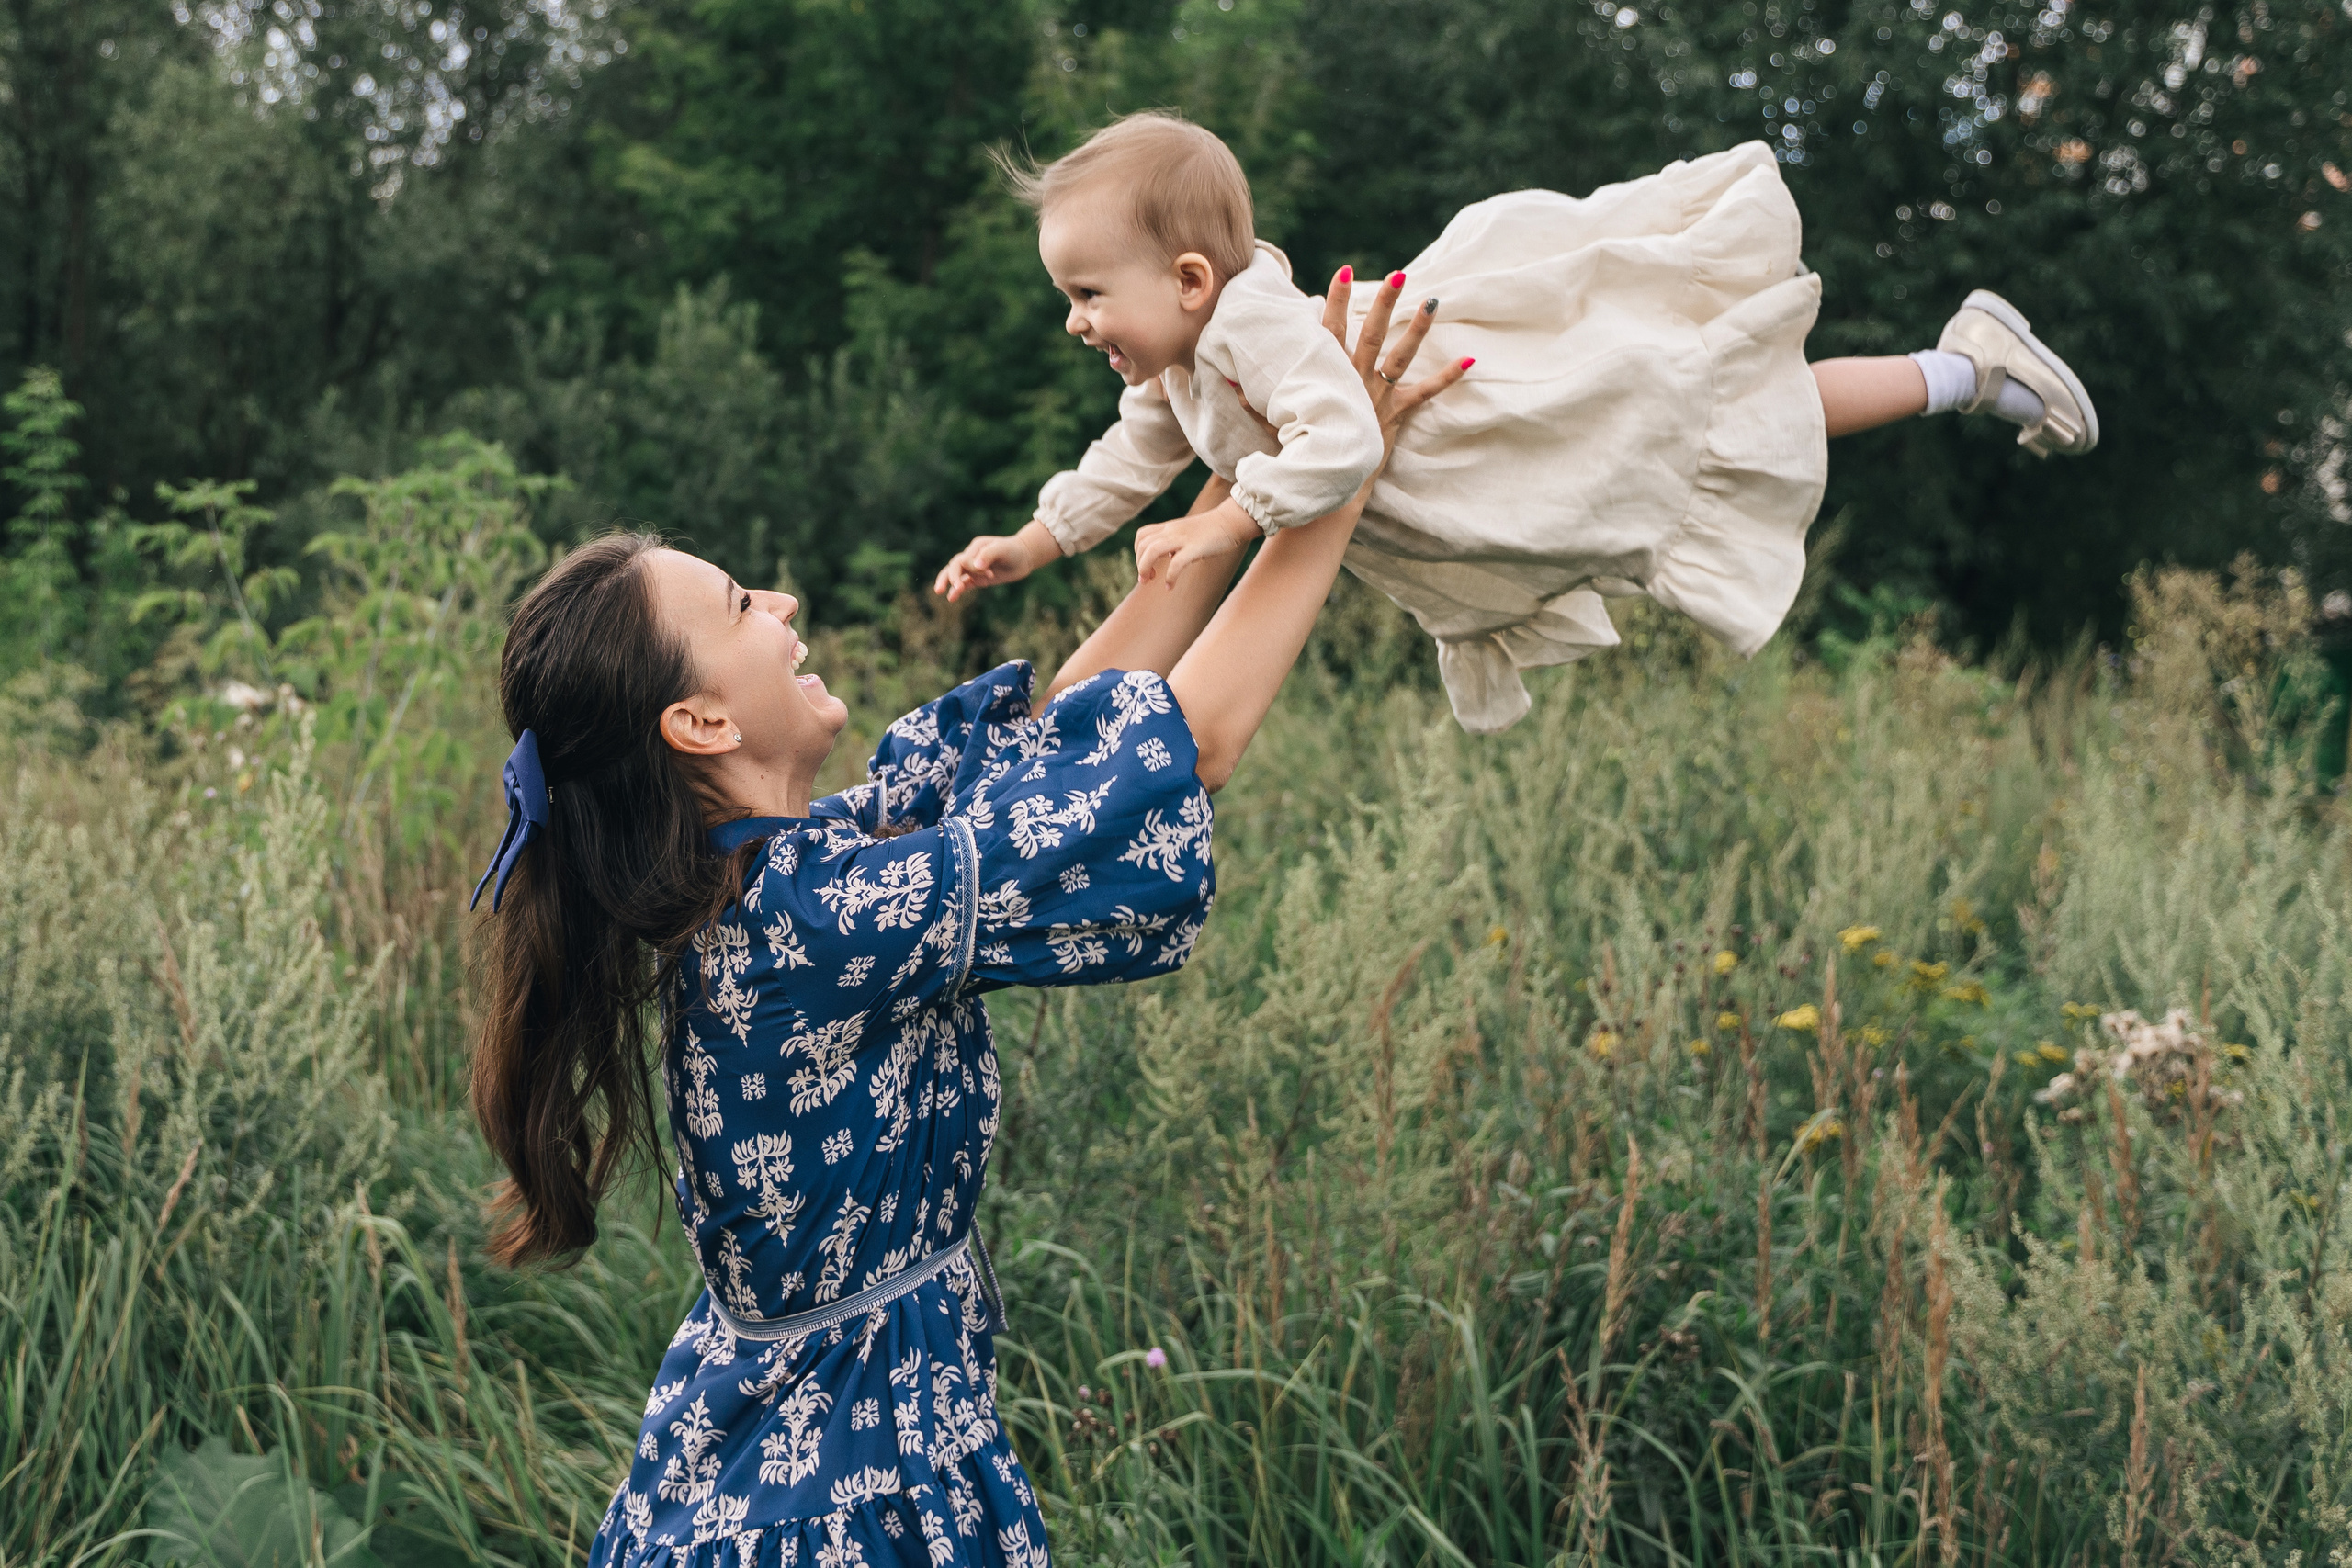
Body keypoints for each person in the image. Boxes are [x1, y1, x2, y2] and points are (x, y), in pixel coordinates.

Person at [466, 274, 1455, 1565]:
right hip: (839, 1503)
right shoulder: (813, 923)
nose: (783, 603)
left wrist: (1261, 462)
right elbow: (1182, 747)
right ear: (701, 724)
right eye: (738, 607)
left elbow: (1051, 748)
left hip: (833, 1455)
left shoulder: (789, 875)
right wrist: (1345, 482)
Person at [932, 112, 2100, 733]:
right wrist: (1032, 544)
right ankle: (1957, 371)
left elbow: (1342, 443)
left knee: (1726, 412)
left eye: (1088, 295)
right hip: (1472, 472)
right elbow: (1125, 464)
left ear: (1189, 279)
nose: (1075, 324)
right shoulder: (1178, 371)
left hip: (1496, 424)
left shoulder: (1254, 329)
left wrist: (1226, 526)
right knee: (1720, 429)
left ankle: (1961, 368)